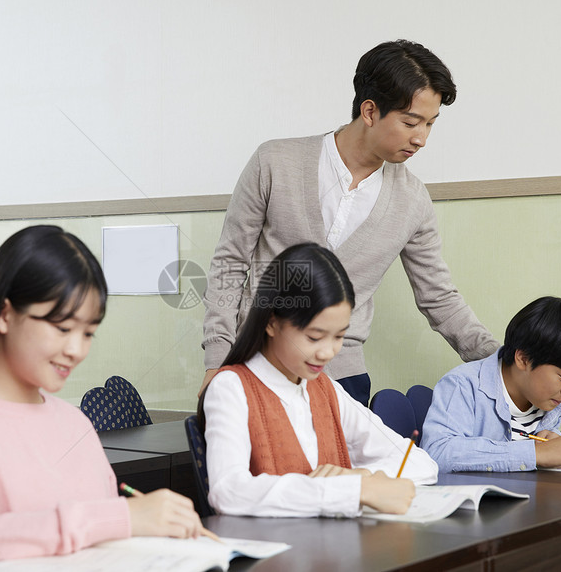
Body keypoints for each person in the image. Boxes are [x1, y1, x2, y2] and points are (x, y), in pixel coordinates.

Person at [201, 39, 498, 407]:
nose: (421, 138)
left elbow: (440, 299)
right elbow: (229, 264)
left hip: (342, 380)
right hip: (255, 366)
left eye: (430, 124)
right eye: (410, 122)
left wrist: (504, 368)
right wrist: (217, 359)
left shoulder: (413, 200)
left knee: (342, 467)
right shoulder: (275, 162)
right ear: (370, 111)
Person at [0, 225, 202, 572]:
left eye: (88, 332)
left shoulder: (74, 421)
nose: (77, 350)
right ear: (4, 315)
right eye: (62, 328)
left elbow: (105, 540)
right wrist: (119, 517)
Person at [201, 242, 438, 518]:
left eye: (339, 337)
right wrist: (353, 491)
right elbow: (228, 492)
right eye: (314, 337)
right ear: (272, 322)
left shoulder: (325, 389)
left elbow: (420, 462)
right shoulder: (231, 387)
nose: (327, 352)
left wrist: (361, 478)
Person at [420, 296, 561, 473]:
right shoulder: (463, 385)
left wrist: (552, 439)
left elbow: (541, 447)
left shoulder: (552, 396)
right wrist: (535, 453)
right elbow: (436, 452)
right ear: (523, 359)